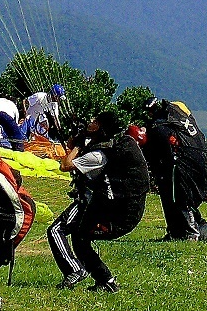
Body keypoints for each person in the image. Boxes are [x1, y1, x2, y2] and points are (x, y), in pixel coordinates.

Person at [50, 111, 149, 291]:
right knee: (80, 238)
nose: (90, 120)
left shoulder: (98, 155)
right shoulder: (106, 146)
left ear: (101, 128)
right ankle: (106, 281)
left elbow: (65, 165)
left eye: (95, 120)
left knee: (59, 230)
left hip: (105, 209)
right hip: (105, 205)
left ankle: (76, 270)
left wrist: (78, 145)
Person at [141, 97, 207, 241]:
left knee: (179, 198)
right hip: (199, 160)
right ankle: (184, 232)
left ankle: (191, 233)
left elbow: (157, 152)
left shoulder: (158, 126)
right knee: (183, 199)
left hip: (181, 165)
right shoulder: (177, 114)